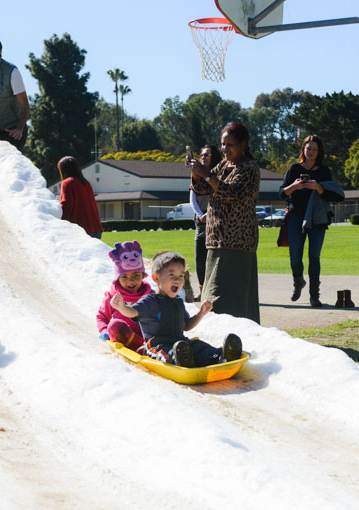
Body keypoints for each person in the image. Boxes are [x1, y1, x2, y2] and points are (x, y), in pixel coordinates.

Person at [110, 251, 242, 368]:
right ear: (156, 278)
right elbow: (132, 312)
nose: (177, 280)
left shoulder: (178, 302)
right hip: (156, 346)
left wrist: (201, 313)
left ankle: (222, 356)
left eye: (181, 276)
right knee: (165, 353)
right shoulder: (149, 301)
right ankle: (180, 360)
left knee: (199, 346)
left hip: (180, 343)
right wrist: (121, 307)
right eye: (172, 275)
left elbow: (186, 326)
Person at [190, 122, 260, 323]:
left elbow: (232, 193)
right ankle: (216, 332)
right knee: (212, 294)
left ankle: (237, 334)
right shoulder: (223, 165)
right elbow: (204, 189)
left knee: (228, 298)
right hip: (216, 239)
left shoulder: (249, 167)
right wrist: (197, 173)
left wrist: (207, 175)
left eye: (230, 144)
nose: (225, 149)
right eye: (223, 144)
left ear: (243, 144)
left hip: (237, 242)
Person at [279, 135, 344, 308]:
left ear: (319, 152)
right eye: (308, 148)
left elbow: (334, 195)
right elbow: (281, 193)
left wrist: (318, 187)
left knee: (314, 257)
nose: (311, 152)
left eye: (314, 149)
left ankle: (314, 296)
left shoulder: (323, 171)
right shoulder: (294, 169)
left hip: (317, 219)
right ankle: (298, 281)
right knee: (295, 257)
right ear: (303, 150)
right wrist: (295, 186)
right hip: (296, 217)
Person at [97, 241, 151, 350]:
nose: (131, 281)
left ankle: (149, 347)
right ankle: (142, 347)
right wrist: (104, 330)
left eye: (136, 275)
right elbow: (102, 316)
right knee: (114, 325)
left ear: (143, 276)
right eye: (124, 277)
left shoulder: (150, 295)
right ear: (118, 279)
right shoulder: (113, 296)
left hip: (148, 338)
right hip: (123, 338)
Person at [189, 145, 222, 296]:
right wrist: (200, 214)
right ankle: (202, 289)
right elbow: (193, 198)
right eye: (201, 155)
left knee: (214, 258)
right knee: (199, 258)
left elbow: (220, 196)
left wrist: (209, 214)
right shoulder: (196, 176)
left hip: (217, 222)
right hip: (200, 222)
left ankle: (214, 289)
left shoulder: (219, 174)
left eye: (206, 155)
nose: (203, 157)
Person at [56, 156, 103, 239]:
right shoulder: (86, 183)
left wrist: (58, 223)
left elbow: (66, 206)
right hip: (95, 228)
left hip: (80, 229)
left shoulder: (67, 183)